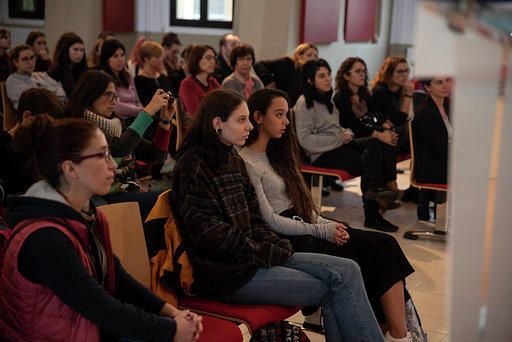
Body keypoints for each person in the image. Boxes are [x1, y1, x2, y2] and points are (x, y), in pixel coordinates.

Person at [169, 89, 384, 341]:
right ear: (217, 124)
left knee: (348, 268)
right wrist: (265, 251)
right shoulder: (192, 166)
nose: (250, 126)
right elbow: (211, 235)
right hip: (228, 276)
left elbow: (255, 218)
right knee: (333, 284)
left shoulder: (232, 159)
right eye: (241, 120)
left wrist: (274, 245)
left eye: (248, 118)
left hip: (254, 259)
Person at [0, 114, 202, 341]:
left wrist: (171, 312)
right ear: (71, 169)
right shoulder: (45, 238)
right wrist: (172, 330)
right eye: (102, 155)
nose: (113, 164)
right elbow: (100, 307)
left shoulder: (85, 212)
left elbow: (118, 278)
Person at [240, 88, 415, 341]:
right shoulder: (247, 161)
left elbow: (303, 203)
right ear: (258, 117)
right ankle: (385, 331)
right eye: (279, 115)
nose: (286, 122)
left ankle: (398, 334)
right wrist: (322, 230)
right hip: (285, 233)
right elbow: (271, 220)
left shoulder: (279, 153)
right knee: (354, 258)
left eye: (286, 114)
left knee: (384, 244)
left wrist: (327, 223)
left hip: (306, 222)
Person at [294, 59, 399, 232]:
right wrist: (340, 138)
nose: (328, 79)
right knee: (369, 163)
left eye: (328, 74)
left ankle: (377, 189)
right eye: (322, 76)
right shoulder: (304, 104)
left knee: (374, 142)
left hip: (337, 145)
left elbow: (335, 127)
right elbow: (306, 141)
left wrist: (347, 131)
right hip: (321, 154)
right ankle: (373, 213)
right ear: (310, 81)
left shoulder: (326, 99)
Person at [66, 70, 174, 221]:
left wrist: (165, 121)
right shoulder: (81, 127)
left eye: (115, 96)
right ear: (90, 94)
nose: (113, 101)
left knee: (172, 199)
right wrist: (147, 111)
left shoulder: (115, 124)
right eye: (108, 95)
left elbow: (155, 155)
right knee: (170, 201)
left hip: (128, 192)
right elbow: (120, 148)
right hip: (104, 196)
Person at [333, 57, 401, 201]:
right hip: (350, 136)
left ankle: (387, 186)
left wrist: (385, 126)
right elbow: (351, 124)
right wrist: (378, 134)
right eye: (358, 71)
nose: (362, 74)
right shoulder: (341, 97)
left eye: (364, 71)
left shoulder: (364, 93)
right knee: (380, 141)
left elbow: (377, 113)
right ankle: (384, 187)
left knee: (389, 136)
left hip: (366, 132)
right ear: (346, 75)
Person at [0, 88, 64, 205]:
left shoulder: (40, 146)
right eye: (46, 124)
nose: (50, 132)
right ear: (27, 117)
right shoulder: (5, 149)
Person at [412, 76, 452, 221]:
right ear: (428, 87)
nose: (445, 85)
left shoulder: (448, 106)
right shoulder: (425, 112)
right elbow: (439, 146)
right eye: (439, 82)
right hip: (431, 166)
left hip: (443, 160)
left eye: (447, 80)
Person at [371, 56, 415, 153]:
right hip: (384, 135)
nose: (405, 75)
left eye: (406, 71)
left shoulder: (399, 89)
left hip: (396, 131)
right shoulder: (380, 91)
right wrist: (408, 94)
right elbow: (400, 120)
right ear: (389, 74)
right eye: (400, 72)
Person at [254, 42, 318, 106]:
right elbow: (259, 65)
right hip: (277, 103)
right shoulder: (287, 63)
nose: (313, 59)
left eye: (315, 56)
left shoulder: (310, 73)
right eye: (309, 55)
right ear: (299, 56)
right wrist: (269, 81)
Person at [6, 44, 67, 109]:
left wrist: (46, 92)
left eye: (32, 57)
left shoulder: (42, 75)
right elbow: (35, 99)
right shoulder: (13, 80)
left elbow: (62, 93)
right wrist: (52, 92)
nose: (30, 62)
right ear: (15, 62)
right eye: (25, 59)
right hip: (34, 116)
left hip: (56, 109)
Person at [97, 39, 143, 119]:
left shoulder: (127, 76)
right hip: (117, 120)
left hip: (135, 116)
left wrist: (142, 111)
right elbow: (116, 107)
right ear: (106, 59)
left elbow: (137, 100)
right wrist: (141, 111)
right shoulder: (103, 77)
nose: (120, 59)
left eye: (122, 55)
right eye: (115, 56)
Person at [178, 45, 220, 119]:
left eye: (214, 58)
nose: (213, 61)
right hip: (197, 127)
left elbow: (225, 106)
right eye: (208, 58)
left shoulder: (213, 82)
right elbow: (195, 114)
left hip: (214, 124)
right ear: (196, 60)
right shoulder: (187, 84)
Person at [48, 32, 87, 97]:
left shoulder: (82, 69)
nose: (79, 53)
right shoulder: (57, 70)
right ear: (66, 50)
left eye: (82, 50)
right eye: (75, 49)